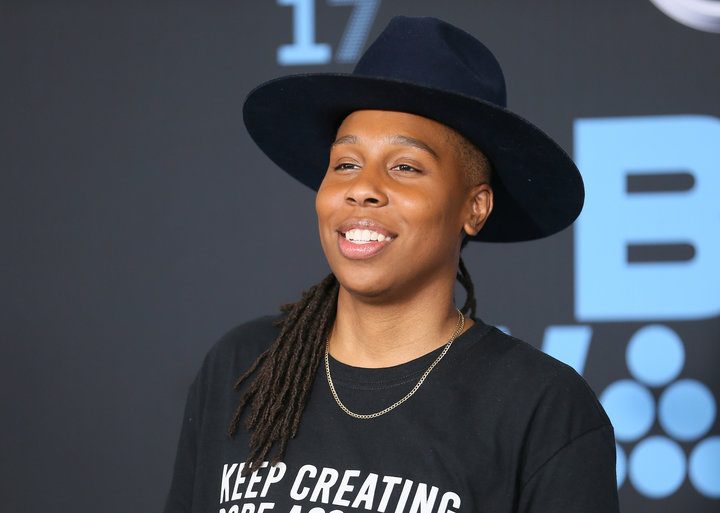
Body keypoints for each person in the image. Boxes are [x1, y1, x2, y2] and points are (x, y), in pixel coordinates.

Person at [163, 15, 619, 513]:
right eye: (345, 164)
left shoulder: (542, 408)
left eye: (405, 167)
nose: (362, 187)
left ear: (475, 207)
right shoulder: (244, 365)